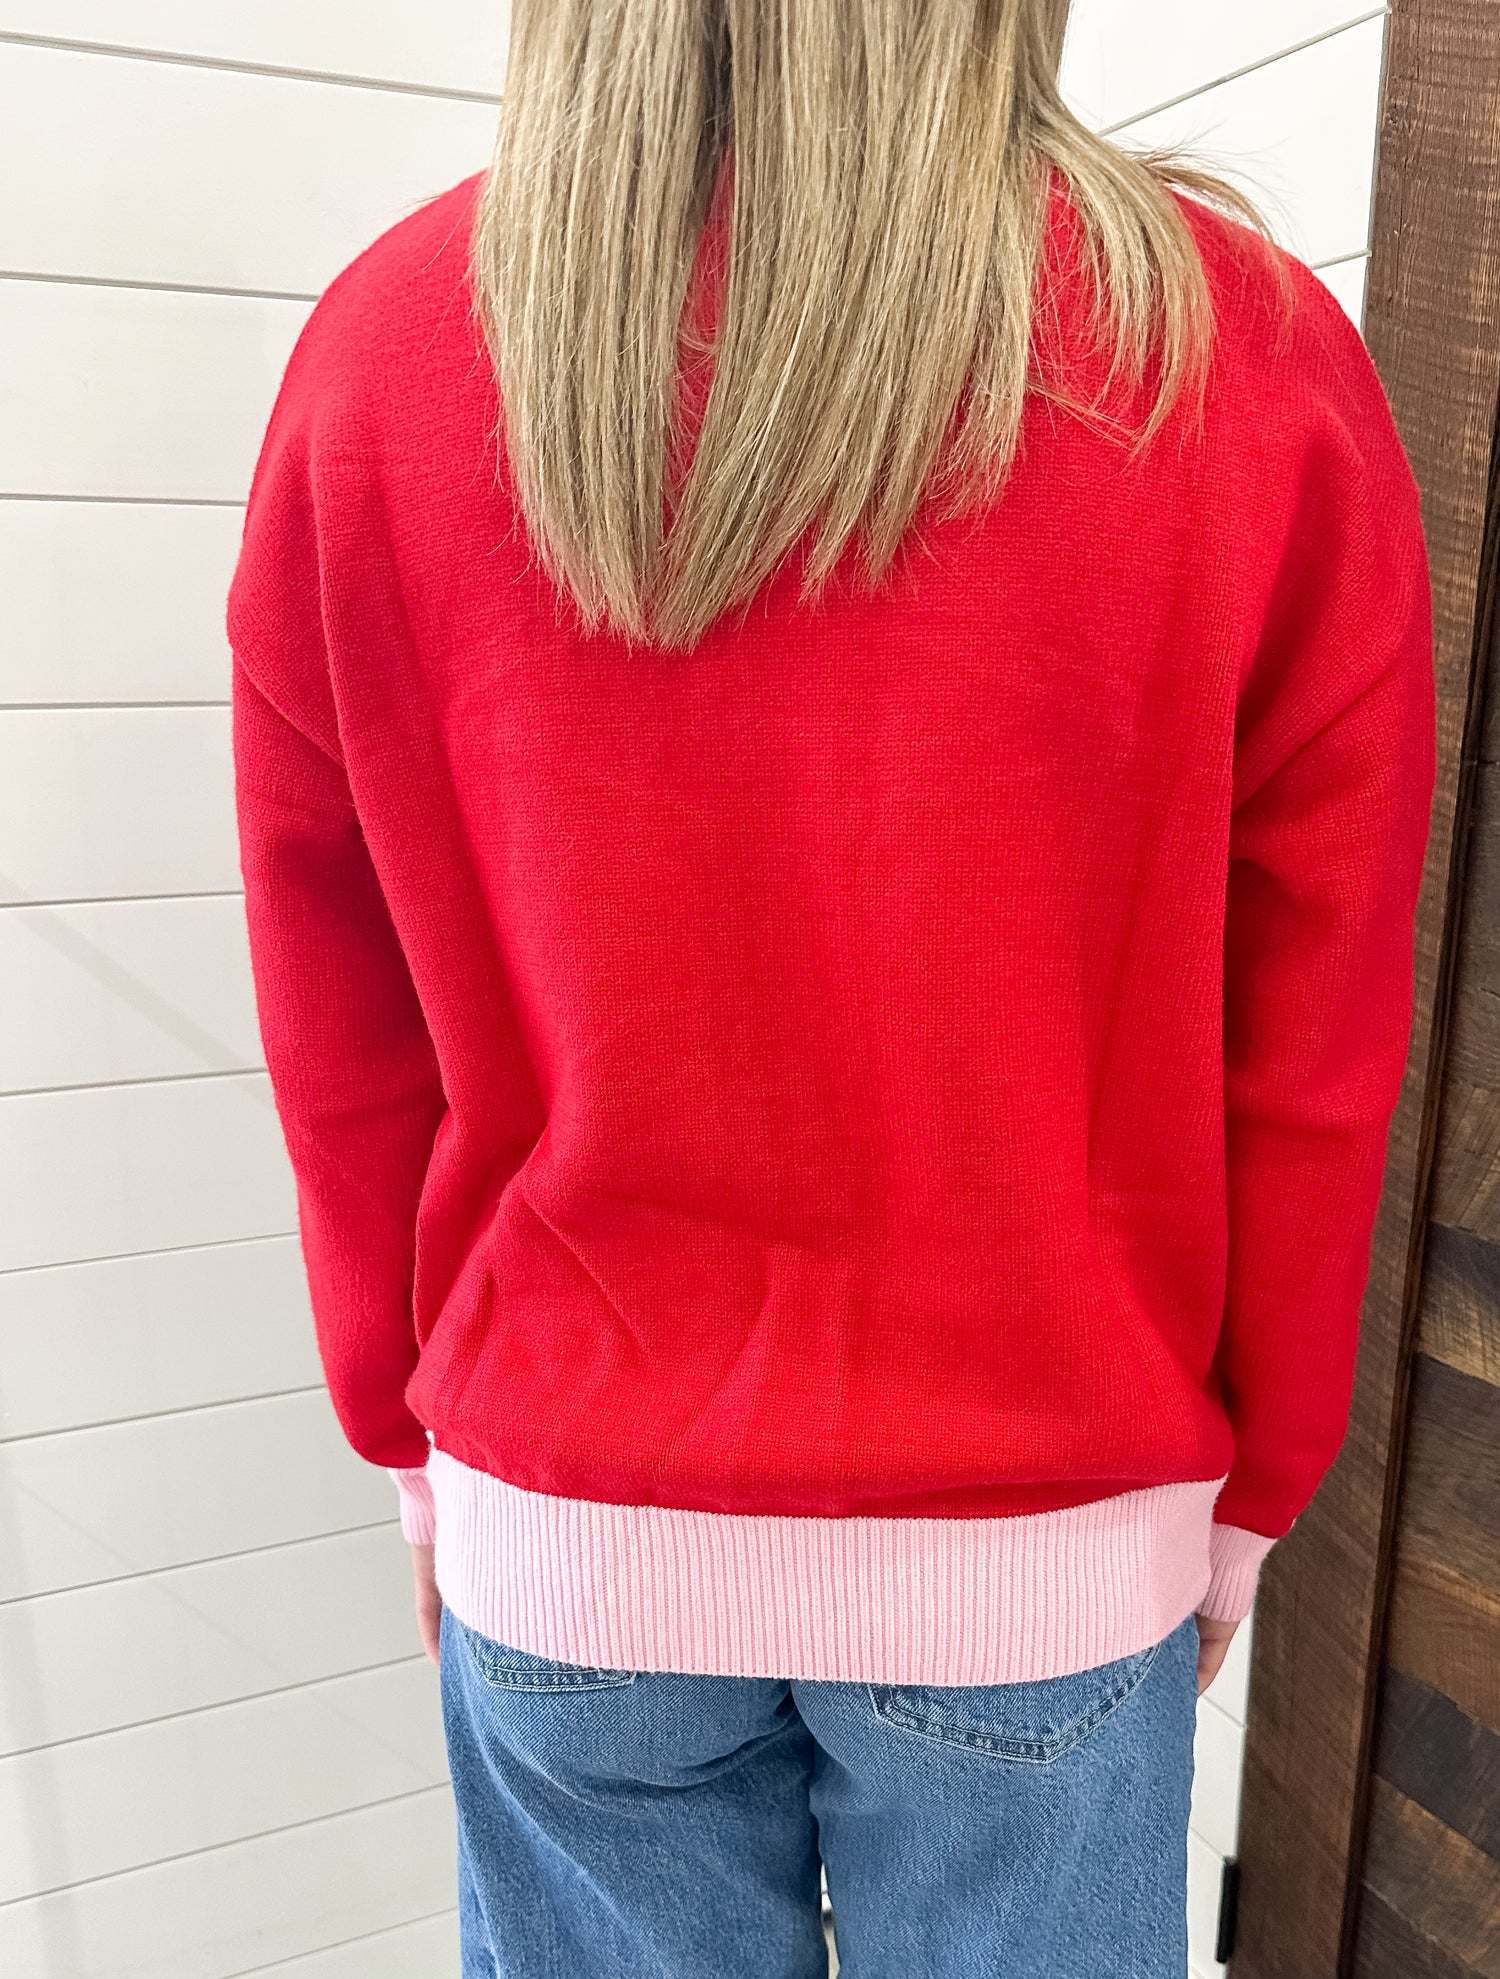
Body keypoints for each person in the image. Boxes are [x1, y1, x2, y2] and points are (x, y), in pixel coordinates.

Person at [229, 3, 1436, 1973]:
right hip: (1042, 1527)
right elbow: (1312, 1042)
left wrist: (419, 1453)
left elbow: (336, 1027)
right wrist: (1250, 1488)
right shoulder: (1233, 361)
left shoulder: (382, 359)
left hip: (572, 1507)